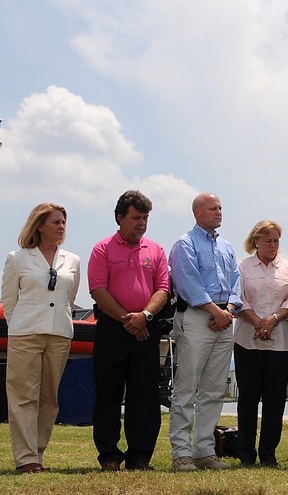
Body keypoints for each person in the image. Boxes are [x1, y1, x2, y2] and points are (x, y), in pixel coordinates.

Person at [88, 191, 170, 471]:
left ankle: (139, 457)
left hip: (147, 327)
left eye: (145, 218)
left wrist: (144, 316)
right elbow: (98, 289)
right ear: (120, 218)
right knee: (108, 392)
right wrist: (128, 319)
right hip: (113, 327)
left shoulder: (156, 250)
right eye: (136, 218)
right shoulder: (102, 249)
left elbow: (163, 289)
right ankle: (109, 455)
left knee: (145, 395)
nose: (142, 223)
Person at [2, 203, 81, 474]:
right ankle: (25, 459)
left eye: (63, 222)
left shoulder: (72, 260)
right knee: (23, 397)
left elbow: (69, 300)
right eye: (55, 222)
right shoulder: (18, 258)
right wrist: (20, 326)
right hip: (25, 334)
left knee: (49, 399)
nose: (61, 227)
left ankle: (37, 454)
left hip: (58, 334)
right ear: (39, 226)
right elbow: (9, 301)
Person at [168, 193, 242, 471]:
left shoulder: (226, 246)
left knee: (213, 390)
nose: (219, 212)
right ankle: (181, 453)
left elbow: (236, 282)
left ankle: (204, 450)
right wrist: (217, 313)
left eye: (221, 207)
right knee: (186, 388)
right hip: (198, 319)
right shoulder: (185, 244)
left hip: (224, 320)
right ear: (197, 212)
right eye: (213, 208)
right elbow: (188, 284)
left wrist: (230, 310)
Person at [233, 220, 288, 467]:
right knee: (248, 397)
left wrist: (271, 320)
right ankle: (246, 452)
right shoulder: (241, 266)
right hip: (246, 340)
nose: (273, 245)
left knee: (275, 398)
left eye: (276, 241)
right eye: (268, 240)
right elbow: (238, 299)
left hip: (281, 339)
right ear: (256, 242)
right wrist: (258, 323)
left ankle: (269, 452)